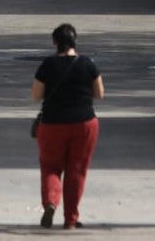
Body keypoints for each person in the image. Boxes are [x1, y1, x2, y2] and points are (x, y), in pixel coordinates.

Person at [32, 23, 104, 230]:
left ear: (55, 43)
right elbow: (99, 93)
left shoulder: (47, 65)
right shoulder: (88, 64)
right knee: (77, 170)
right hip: (84, 124)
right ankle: (71, 219)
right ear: (75, 41)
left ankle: (51, 203)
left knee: (50, 167)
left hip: (52, 124)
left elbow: (36, 95)